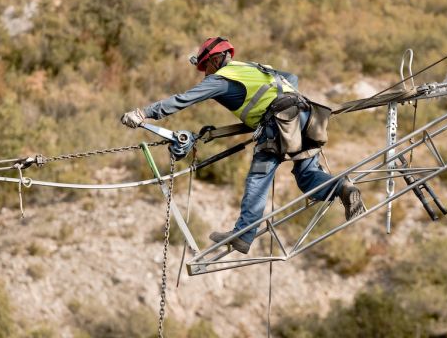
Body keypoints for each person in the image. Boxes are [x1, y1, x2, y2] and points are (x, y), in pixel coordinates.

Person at [121, 37, 365, 254]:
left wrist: (144, 113)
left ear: (215, 59)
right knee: (307, 175)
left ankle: (243, 235)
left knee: (258, 181)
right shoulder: (255, 68)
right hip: (308, 116)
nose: (205, 73)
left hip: (277, 123)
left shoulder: (221, 79)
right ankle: (342, 187)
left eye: (206, 66)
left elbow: (184, 99)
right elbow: (292, 78)